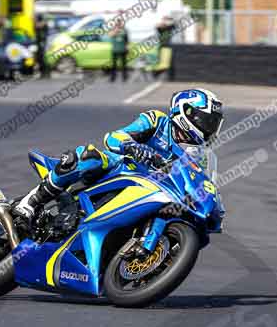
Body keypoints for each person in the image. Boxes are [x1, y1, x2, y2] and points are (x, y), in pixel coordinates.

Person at [12, 88, 224, 226]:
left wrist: (215, 208)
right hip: (123, 169)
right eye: (206, 120)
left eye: (213, 123)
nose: (210, 128)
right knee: (90, 156)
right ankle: (31, 201)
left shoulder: (199, 155)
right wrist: (134, 148)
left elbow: (203, 183)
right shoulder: (157, 121)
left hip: (155, 193)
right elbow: (113, 138)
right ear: (185, 112)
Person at [109, 13, 129, 82]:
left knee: (124, 65)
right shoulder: (113, 30)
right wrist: (116, 30)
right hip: (115, 50)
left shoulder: (125, 30)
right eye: (118, 23)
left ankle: (124, 77)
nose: (119, 24)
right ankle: (113, 78)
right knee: (114, 65)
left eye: (120, 23)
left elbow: (127, 40)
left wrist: (127, 47)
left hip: (123, 49)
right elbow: (110, 35)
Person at [35, 13, 50, 79]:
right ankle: (43, 73)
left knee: (42, 58)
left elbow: (39, 27)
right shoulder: (42, 24)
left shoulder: (43, 24)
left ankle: (45, 73)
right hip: (40, 43)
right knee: (39, 58)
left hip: (42, 43)